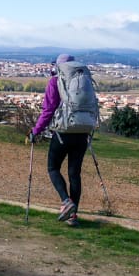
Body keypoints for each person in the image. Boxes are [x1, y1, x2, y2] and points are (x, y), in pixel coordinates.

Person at [28, 53, 91, 226]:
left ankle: (66, 201)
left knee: (53, 167)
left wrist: (36, 131)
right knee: (74, 174)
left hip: (63, 132)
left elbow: (48, 110)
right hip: (83, 132)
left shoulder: (55, 81)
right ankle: (73, 216)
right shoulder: (83, 80)